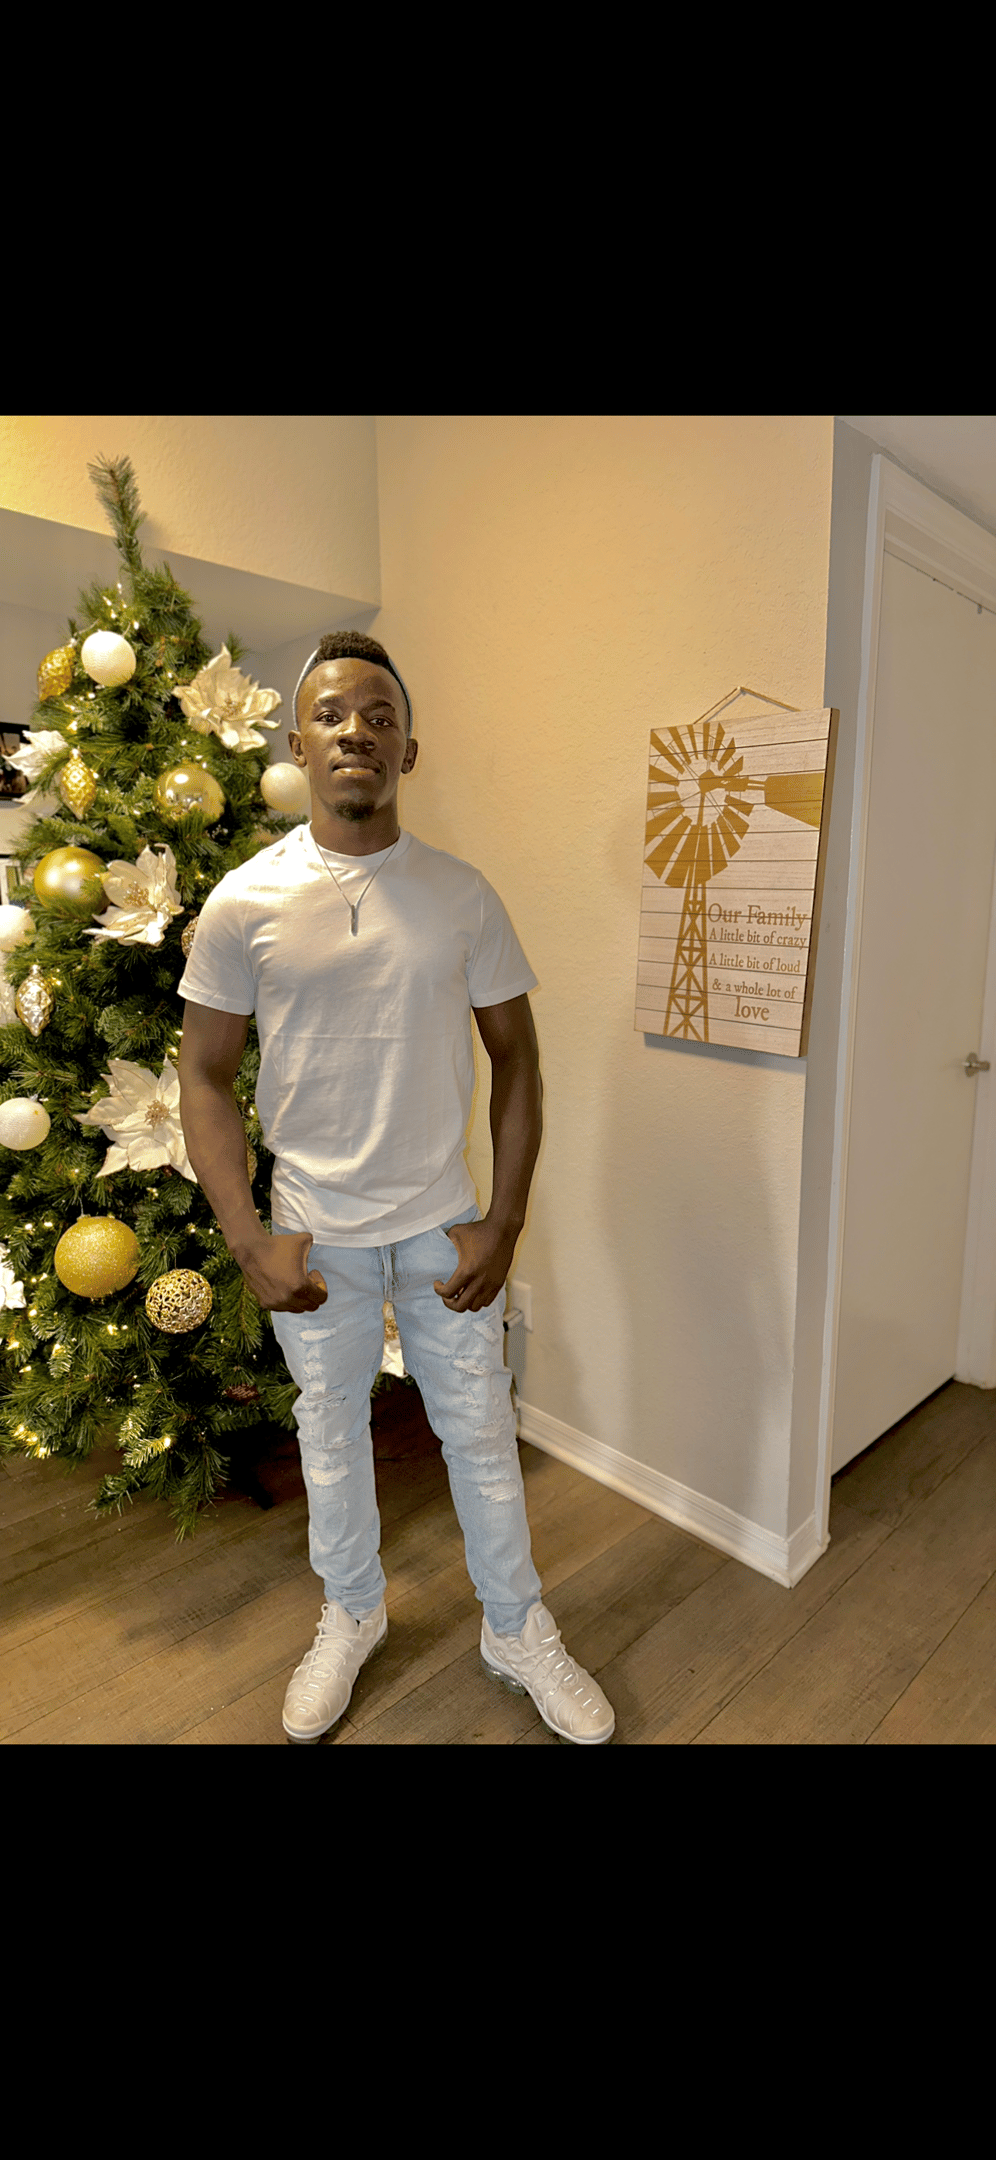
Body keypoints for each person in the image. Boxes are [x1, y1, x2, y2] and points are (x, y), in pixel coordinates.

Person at [176, 630, 615, 1745]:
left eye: (379, 716)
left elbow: (517, 1060)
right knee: (329, 1437)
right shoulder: (244, 903)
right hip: (312, 1235)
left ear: (408, 750)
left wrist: (503, 1222)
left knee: (481, 1437)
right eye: (331, 714)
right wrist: (248, 1239)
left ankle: (514, 1628)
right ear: (298, 744)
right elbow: (205, 1076)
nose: (355, 731)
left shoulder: (462, 896)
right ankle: (353, 1612)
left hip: (438, 1228)